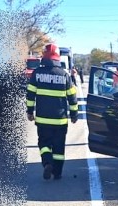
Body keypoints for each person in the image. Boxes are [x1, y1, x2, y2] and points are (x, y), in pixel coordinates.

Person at [26, 43, 78, 180]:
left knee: (44, 144)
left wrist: (30, 111)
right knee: (59, 148)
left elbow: (30, 95)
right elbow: (72, 97)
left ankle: (47, 162)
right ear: (57, 57)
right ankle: (57, 173)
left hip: (43, 120)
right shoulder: (64, 75)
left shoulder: (37, 73)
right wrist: (74, 114)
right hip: (60, 121)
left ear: (44, 56)